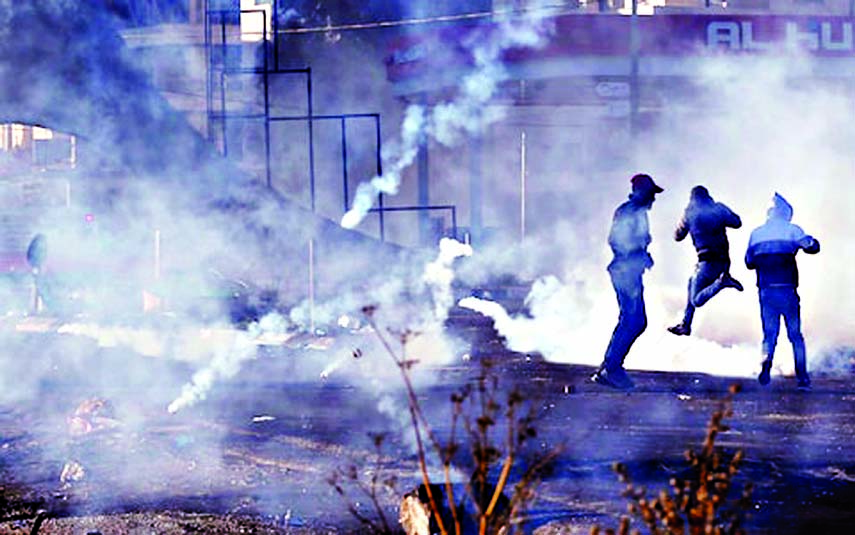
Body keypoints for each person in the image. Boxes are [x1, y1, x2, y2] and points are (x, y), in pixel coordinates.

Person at [592, 173, 663, 390]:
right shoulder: (628, 212)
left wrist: (642, 255)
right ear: (641, 192)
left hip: (630, 271)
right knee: (633, 320)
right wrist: (635, 255)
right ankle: (611, 369)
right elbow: (616, 240)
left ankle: (610, 367)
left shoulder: (637, 213)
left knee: (633, 319)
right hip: (625, 271)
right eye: (651, 193)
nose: (654, 198)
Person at [745, 193, 819, 391]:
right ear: (786, 213)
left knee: (769, 334)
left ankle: (765, 369)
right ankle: (802, 379)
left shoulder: (756, 233)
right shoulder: (792, 230)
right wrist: (811, 241)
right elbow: (812, 248)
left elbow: (749, 263)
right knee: (795, 335)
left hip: (766, 291)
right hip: (787, 289)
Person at [668, 186, 744, 336]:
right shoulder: (718, 209)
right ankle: (685, 324)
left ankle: (721, 283)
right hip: (723, 262)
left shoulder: (690, 213)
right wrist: (722, 211)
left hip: (707, 262)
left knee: (696, 300)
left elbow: (677, 236)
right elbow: (737, 222)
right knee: (691, 282)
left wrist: (686, 218)